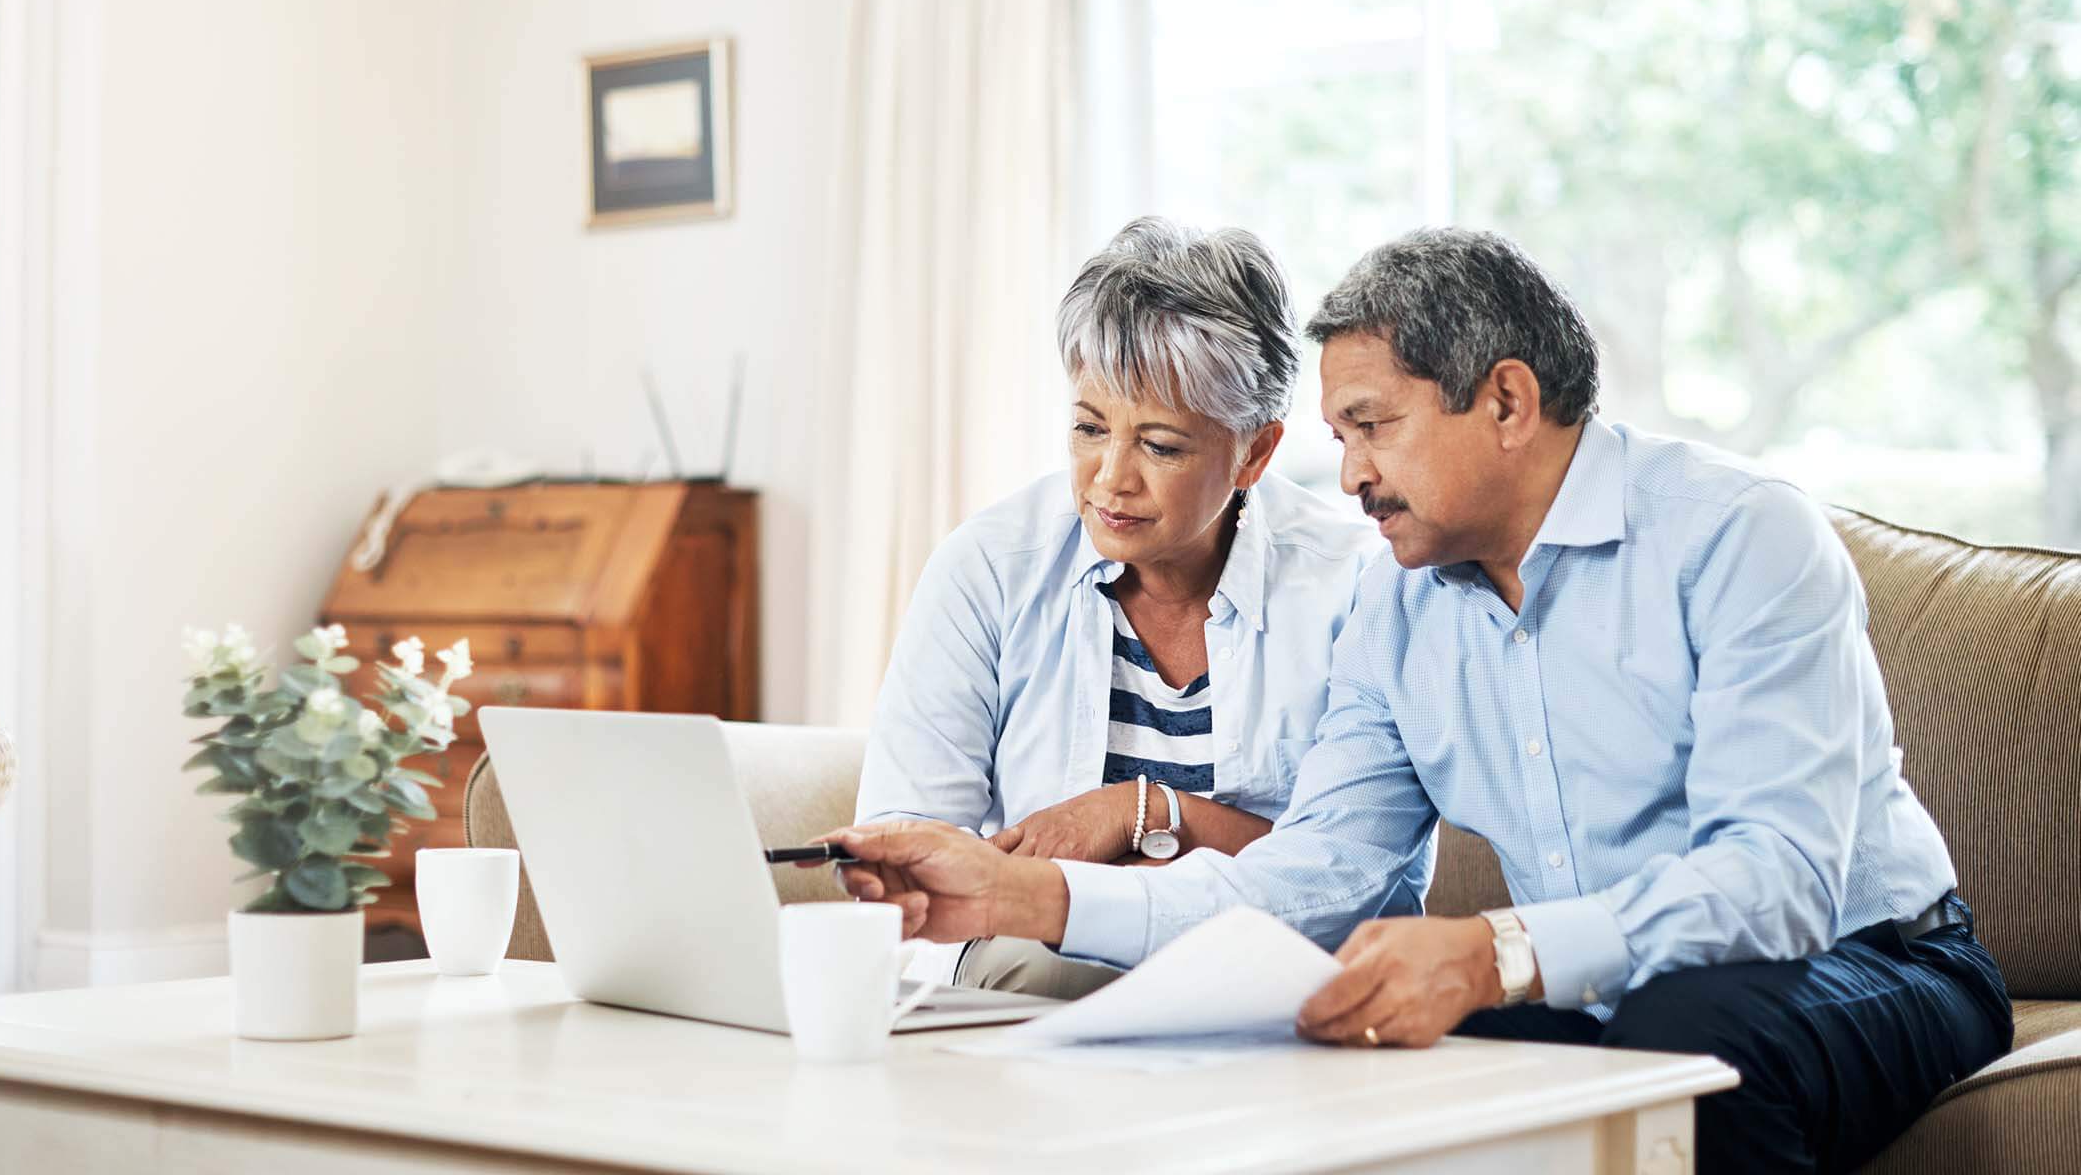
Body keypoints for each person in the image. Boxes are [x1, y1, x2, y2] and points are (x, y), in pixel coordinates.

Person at [824, 228, 2013, 1173]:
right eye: (1340, 436)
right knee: (1370, 1074)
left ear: (1503, 403)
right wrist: (1023, 891)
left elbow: (1777, 884)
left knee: (1694, 1044)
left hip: (1873, 959)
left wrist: (1493, 954)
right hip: (1613, 982)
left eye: (1371, 429)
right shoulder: (1392, 607)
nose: (1346, 476)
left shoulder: (1739, 538)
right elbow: (1314, 878)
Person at [853, 217, 1401, 999]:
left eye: (1161, 446)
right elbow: (906, 842)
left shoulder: (1354, 589)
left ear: (1254, 452)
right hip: (1030, 980)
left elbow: (1354, 879)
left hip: (1263, 982)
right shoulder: (989, 567)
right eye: (1088, 428)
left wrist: (1143, 811)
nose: (1110, 479)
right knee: (1036, 967)